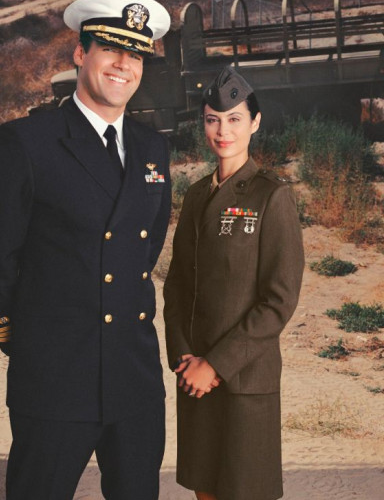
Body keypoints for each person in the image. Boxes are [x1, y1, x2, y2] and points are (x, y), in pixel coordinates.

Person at [0, 0, 171, 500]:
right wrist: (28, 339)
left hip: (134, 377)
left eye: (135, 55)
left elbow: (144, 252)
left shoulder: (151, 147)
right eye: (110, 49)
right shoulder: (27, 142)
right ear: (81, 53)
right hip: (56, 376)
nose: (123, 65)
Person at [163, 65, 304, 500]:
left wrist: (216, 365)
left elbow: (278, 300)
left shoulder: (271, 195)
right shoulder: (195, 195)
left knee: (243, 492)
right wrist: (184, 356)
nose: (223, 131)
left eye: (234, 119)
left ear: (255, 123)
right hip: (195, 375)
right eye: (212, 120)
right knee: (204, 490)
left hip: (243, 377)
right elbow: (177, 285)